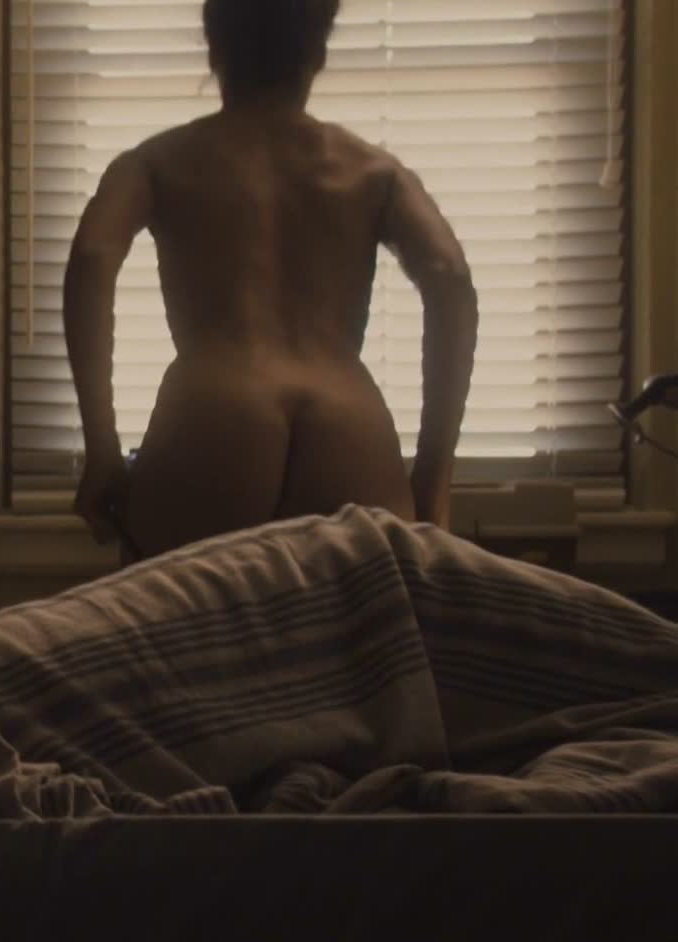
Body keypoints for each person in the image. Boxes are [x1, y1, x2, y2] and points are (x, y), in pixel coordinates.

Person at [68, 0, 479, 561]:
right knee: (364, 622)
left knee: (182, 619)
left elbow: (93, 254)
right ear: (318, 55)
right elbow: (449, 277)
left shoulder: (156, 161)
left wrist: (102, 449)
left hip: (214, 420)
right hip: (348, 428)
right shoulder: (373, 172)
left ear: (214, 50)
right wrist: (433, 481)